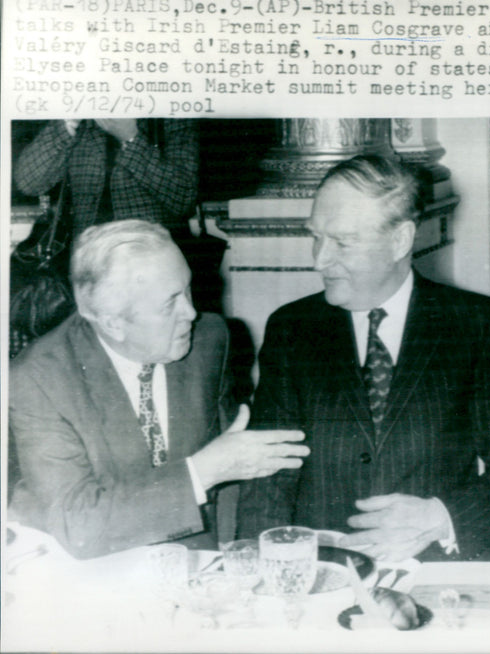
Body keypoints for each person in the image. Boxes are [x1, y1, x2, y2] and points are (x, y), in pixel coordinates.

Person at [236, 154, 490, 562]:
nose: (319, 260)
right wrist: (259, 566)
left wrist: (442, 517)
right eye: (315, 237)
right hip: (321, 569)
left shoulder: (483, 326)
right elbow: (269, 475)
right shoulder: (292, 329)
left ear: (400, 240)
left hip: (438, 567)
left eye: (342, 242)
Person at [8, 220, 309, 559]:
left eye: (187, 289)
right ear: (113, 323)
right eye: (170, 303)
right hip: (88, 565)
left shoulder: (209, 339)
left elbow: (233, 469)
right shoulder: (38, 379)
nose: (191, 312)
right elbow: (77, 525)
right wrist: (202, 472)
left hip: (191, 556)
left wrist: (237, 554)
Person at [14, 118, 198, 237]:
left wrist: (131, 138)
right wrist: (67, 123)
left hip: (151, 255)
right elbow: (28, 183)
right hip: (90, 258)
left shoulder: (168, 118)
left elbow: (183, 198)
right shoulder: (84, 123)